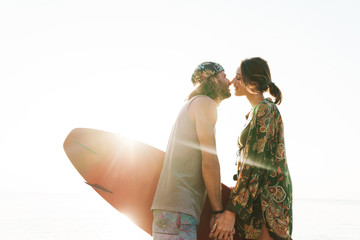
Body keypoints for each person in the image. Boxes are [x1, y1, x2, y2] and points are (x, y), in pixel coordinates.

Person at [211, 57, 293, 240]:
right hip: (256, 202)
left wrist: (232, 211)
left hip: (268, 206)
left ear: (253, 82)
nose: (233, 81)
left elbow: (254, 164)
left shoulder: (266, 110)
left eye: (238, 77)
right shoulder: (254, 113)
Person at [151, 62, 232, 240]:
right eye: (224, 76)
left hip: (170, 212)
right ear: (211, 79)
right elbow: (210, 161)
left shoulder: (191, 105)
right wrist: (218, 211)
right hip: (180, 214)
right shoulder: (204, 103)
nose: (229, 81)